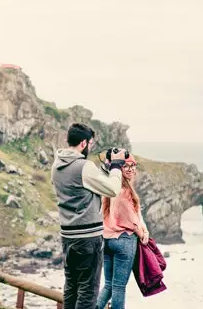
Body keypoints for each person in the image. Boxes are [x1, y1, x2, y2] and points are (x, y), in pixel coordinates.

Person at [51, 123, 128, 309]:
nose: (91, 147)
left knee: (71, 286)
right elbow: (112, 189)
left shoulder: (57, 165)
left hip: (68, 237)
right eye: (91, 143)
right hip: (87, 239)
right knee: (88, 291)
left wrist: (104, 169)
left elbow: (84, 184)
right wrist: (116, 167)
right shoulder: (84, 166)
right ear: (84, 143)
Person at [96, 153, 149, 309]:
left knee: (109, 285)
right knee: (119, 287)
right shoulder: (124, 191)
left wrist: (143, 228)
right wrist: (142, 233)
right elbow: (131, 221)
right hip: (124, 241)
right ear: (119, 168)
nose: (131, 169)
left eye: (133, 165)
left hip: (108, 239)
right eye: (126, 166)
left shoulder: (111, 187)